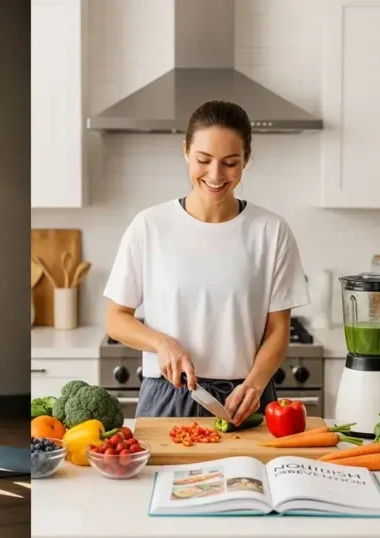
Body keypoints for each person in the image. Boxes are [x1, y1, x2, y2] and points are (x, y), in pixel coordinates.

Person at [103, 100, 310, 426]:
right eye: (203, 160)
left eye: (231, 162)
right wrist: (161, 343)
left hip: (247, 397)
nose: (215, 175)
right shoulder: (149, 226)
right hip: (167, 395)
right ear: (185, 151)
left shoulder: (271, 231)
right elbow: (116, 319)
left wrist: (255, 383)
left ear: (246, 160)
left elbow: (278, 330)